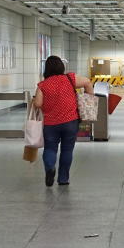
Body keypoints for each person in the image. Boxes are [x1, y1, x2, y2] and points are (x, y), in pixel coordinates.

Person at [30, 55, 95, 188]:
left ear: (46, 69)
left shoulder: (43, 85)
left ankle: (50, 168)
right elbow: (88, 82)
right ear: (61, 66)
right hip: (70, 122)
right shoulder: (70, 79)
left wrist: (36, 101)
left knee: (50, 149)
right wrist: (89, 100)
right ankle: (63, 179)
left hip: (51, 124)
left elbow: (38, 103)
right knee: (67, 150)